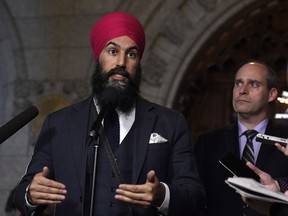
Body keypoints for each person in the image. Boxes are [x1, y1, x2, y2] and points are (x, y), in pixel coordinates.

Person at [14, 11, 205, 216]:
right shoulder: (59, 123)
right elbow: (23, 194)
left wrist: (162, 195)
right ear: (99, 57)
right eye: (113, 51)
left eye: (131, 54)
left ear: (138, 63)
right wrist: (30, 194)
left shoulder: (169, 123)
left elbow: (195, 198)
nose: (121, 62)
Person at [194, 60, 288, 216]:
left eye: (253, 84)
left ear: (271, 94)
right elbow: (194, 194)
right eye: (238, 83)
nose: (242, 90)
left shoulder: (286, 139)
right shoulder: (207, 142)